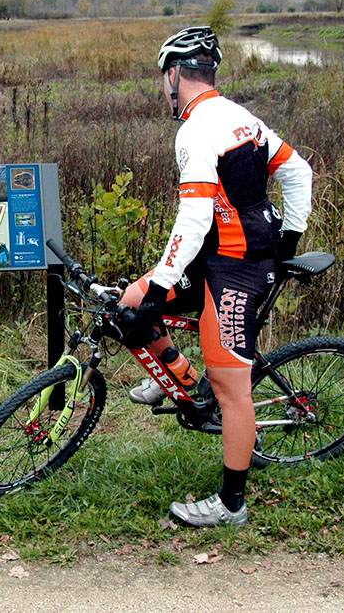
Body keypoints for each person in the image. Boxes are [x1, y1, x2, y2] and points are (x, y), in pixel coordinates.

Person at [118, 26, 312, 527]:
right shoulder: (239, 117)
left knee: (231, 391)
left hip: (238, 268)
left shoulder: (196, 129)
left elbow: (194, 215)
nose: (165, 86)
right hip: (223, 253)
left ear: (175, 75)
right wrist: (289, 235)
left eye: (165, 78)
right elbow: (299, 172)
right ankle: (177, 379)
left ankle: (231, 504)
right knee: (133, 305)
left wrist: (163, 278)